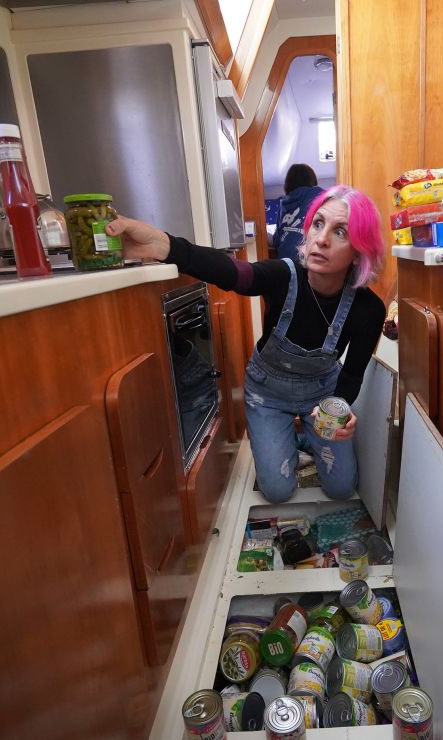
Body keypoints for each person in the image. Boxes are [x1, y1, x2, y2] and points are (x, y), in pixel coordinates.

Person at [106, 185, 386, 504]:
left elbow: (351, 376)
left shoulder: (369, 309)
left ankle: (306, 437)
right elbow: (234, 273)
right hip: (267, 395)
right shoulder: (283, 275)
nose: (321, 239)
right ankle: (283, 435)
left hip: (320, 398)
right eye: (318, 224)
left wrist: (343, 410)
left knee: (342, 489)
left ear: (359, 251)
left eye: (341, 232)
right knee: (278, 491)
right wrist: (164, 245)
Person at [272, 163, 325, 261]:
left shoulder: (283, 203)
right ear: (312, 180)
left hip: (285, 262)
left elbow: (276, 240)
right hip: (306, 259)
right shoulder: (319, 195)